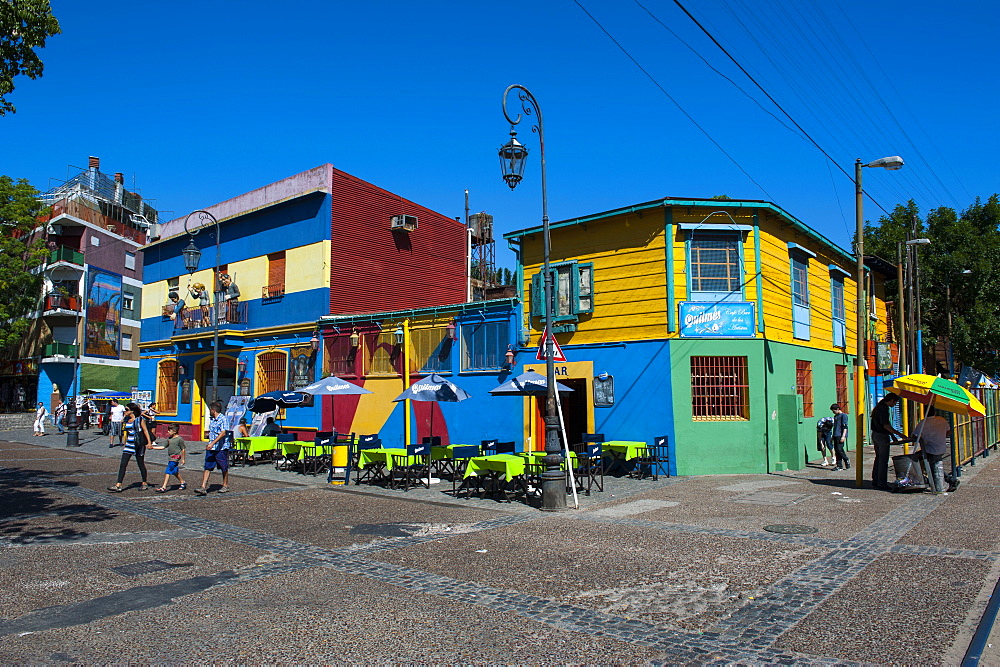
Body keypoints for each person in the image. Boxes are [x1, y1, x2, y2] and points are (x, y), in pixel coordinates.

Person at [107, 403, 153, 492]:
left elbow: (145, 431)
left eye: (127, 409)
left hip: (138, 445)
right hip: (129, 445)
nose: (125, 411)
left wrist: (149, 443)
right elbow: (126, 431)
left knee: (140, 464)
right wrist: (124, 442)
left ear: (132, 411)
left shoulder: (140, 420)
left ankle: (144, 482)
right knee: (123, 464)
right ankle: (118, 485)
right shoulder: (127, 419)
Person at [195, 401, 232, 495]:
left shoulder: (223, 419)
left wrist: (213, 443)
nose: (210, 411)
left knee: (223, 467)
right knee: (207, 466)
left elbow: (223, 433)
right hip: (211, 448)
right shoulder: (212, 419)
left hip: (221, 447)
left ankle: (225, 485)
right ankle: (203, 487)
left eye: (211, 409)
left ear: (214, 410)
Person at [870, 393, 904, 489]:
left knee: (878, 458)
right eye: (895, 402)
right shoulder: (884, 409)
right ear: (892, 400)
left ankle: (875, 480)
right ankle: (881, 482)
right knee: (883, 460)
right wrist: (899, 434)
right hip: (881, 436)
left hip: (875, 434)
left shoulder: (878, 408)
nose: (895, 404)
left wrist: (893, 435)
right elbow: (886, 425)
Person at [915, 407, 952, 494]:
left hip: (929, 448)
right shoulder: (942, 420)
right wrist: (941, 436)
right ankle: (942, 482)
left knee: (931, 465)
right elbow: (949, 431)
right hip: (941, 447)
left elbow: (915, 435)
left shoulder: (923, 422)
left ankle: (944, 483)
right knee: (936, 465)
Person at [150, 424, 187, 493]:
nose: (168, 432)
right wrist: (153, 447)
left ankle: (164, 487)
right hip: (171, 457)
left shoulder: (179, 439)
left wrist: (183, 459)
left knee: (168, 471)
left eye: (170, 430)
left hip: (175, 457)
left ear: (175, 431)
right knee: (174, 471)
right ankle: (182, 482)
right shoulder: (169, 439)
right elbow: (163, 447)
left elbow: (183, 449)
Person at [830, 403, 850, 470]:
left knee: (839, 449)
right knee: (837, 450)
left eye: (834, 411)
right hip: (836, 435)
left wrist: (843, 436)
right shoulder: (835, 417)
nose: (833, 412)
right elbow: (835, 427)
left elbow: (845, 426)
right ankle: (839, 465)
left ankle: (846, 459)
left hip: (840, 435)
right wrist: (833, 436)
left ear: (838, 409)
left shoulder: (843, 416)